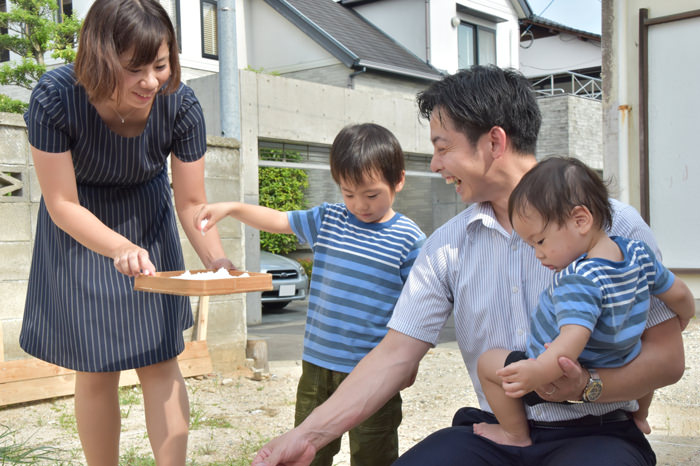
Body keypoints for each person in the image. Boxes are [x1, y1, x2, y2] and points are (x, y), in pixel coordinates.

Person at [251, 65, 687, 466]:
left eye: (443, 148)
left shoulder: (612, 225)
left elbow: (667, 359)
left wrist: (587, 385)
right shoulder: (446, 246)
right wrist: (308, 436)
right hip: (494, 430)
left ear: (494, 142)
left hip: (597, 432)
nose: (436, 165)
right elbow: (394, 357)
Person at [19, 1, 233, 464]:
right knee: (96, 368)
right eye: (135, 69)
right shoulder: (54, 97)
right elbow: (61, 203)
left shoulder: (180, 103)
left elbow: (192, 201)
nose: (152, 82)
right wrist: (117, 246)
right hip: (81, 228)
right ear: (99, 58)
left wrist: (216, 259)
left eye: (160, 65)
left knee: (159, 358)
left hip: (149, 219)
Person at [196, 123, 426, 465]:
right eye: (348, 193)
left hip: (372, 372)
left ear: (399, 181)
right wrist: (231, 208)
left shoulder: (409, 239)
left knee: (374, 454)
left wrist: (410, 363)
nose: (359, 205)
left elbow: (417, 310)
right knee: (308, 451)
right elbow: (276, 219)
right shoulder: (329, 219)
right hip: (317, 364)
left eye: (372, 195)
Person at [473, 156, 695, 447]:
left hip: (568, 366)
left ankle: (514, 434)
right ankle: (640, 415)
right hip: (626, 356)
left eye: (540, 242)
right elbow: (678, 292)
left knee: (488, 363)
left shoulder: (579, 278)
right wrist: (684, 315)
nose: (537, 254)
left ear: (581, 220)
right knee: (641, 357)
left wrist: (538, 371)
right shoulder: (637, 253)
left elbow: (571, 342)